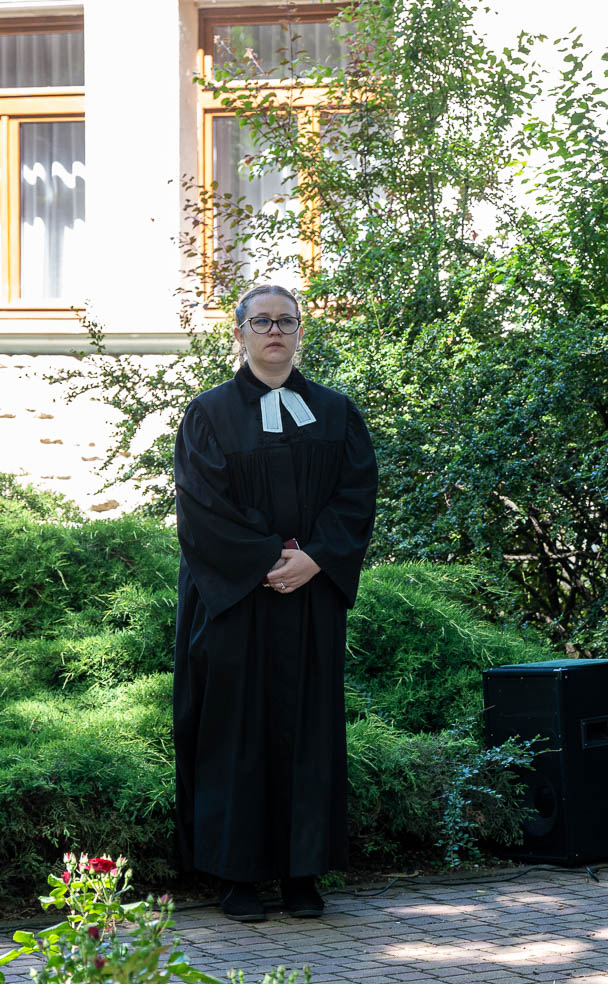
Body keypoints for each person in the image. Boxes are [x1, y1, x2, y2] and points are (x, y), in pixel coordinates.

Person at [172, 284, 377, 923]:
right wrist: (267, 559)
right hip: (234, 599)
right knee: (233, 733)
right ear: (239, 334)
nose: (275, 332)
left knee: (307, 733)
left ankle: (301, 873)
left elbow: (356, 495)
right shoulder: (208, 414)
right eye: (261, 322)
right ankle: (235, 877)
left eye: (286, 322)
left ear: (299, 333)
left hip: (310, 596)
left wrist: (316, 558)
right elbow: (201, 509)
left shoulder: (337, 413)